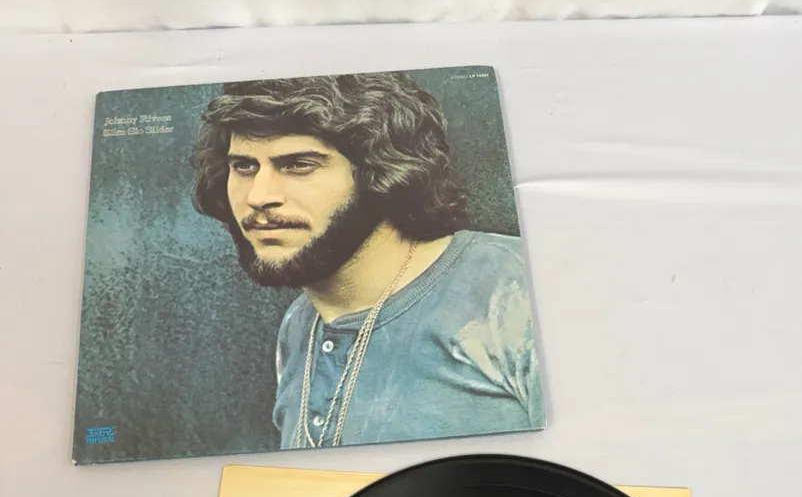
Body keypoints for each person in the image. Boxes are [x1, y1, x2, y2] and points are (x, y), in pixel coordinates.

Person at [191, 72, 545, 450]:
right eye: (244, 167)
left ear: (381, 172)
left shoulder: (517, 286)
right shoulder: (300, 324)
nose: (258, 197)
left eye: (298, 165)